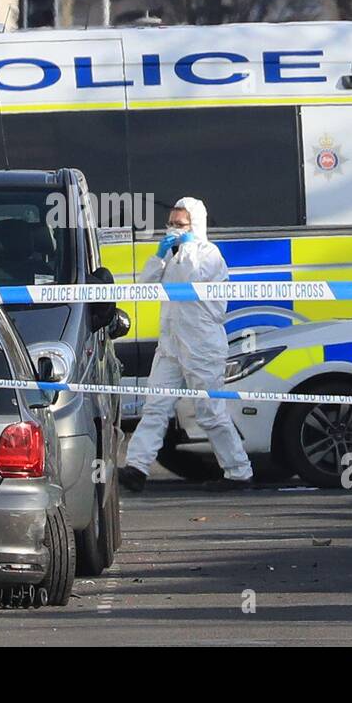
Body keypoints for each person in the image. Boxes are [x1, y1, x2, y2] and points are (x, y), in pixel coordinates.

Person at [117, 197, 254, 492]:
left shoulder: (209, 254)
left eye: (180, 225)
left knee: (210, 412)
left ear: (196, 226)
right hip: (171, 344)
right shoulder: (172, 255)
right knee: (155, 407)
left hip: (202, 344)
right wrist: (160, 256)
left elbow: (193, 280)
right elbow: (145, 286)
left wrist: (186, 246)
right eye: (170, 224)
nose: (173, 229)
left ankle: (239, 472)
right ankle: (136, 468)